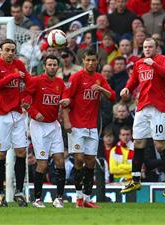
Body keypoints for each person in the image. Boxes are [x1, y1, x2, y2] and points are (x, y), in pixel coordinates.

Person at [120, 38, 165, 197]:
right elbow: (134, 80)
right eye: (145, 47)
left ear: (156, 48)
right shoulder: (139, 63)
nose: (147, 49)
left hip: (157, 108)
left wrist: (154, 64)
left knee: (159, 145)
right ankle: (136, 180)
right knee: (138, 142)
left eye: (150, 46)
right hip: (142, 107)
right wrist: (126, 88)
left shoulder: (162, 60)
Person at [60, 48, 116, 208]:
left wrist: (102, 89)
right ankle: (78, 197)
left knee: (91, 161)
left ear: (97, 62)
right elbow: (65, 98)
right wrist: (66, 121)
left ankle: (86, 198)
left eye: (93, 60)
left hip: (92, 126)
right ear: (83, 61)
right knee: (78, 159)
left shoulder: (99, 78)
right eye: (88, 60)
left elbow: (112, 97)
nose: (91, 63)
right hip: (76, 125)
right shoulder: (76, 77)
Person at [0, 39, 30, 207]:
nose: (11, 53)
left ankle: (19, 192)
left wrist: (27, 98)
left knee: (21, 152)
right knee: (0, 154)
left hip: (18, 114)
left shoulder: (19, 64)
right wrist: (12, 76)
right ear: (0, 51)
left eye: (13, 50)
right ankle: (0, 194)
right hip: (0, 114)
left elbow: (29, 83)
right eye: (7, 50)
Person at [22, 55, 66, 208]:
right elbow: (24, 100)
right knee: (42, 163)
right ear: (44, 66)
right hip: (38, 126)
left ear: (58, 67)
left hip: (54, 125)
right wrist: (34, 113)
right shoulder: (36, 81)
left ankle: (59, 198)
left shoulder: (60, 83)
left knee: (60, 160)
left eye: (55, 64)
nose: (52, 67)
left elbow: (66, 97)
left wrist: (68, 100)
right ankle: (37, 199)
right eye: (50, 64)